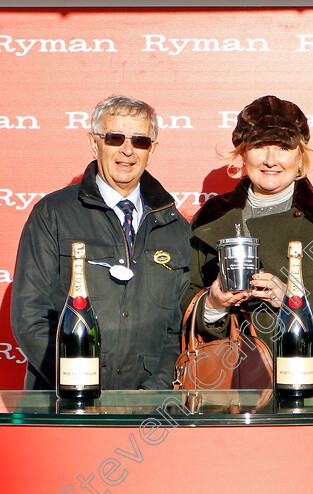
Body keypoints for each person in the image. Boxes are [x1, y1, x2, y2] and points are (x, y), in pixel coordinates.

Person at [186, 95, 313, 388]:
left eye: (283, 148)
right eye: (259, 147)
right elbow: (187, 297)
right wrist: (213, 304)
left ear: (300, 156)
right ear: (242, 154)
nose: (271, 160)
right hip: (234, 382)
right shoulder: (211, 218)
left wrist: (292, 295)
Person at [11, 95, 191, 390]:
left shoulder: (175, 227)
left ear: (152, 150)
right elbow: (30, 317)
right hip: (67, 406)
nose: (127, 151)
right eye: (115, 138)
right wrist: (77, 384)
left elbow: (178, 328)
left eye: (140, 141)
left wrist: (152, 393)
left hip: (145, 410)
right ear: (94, 143)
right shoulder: (52, 214)